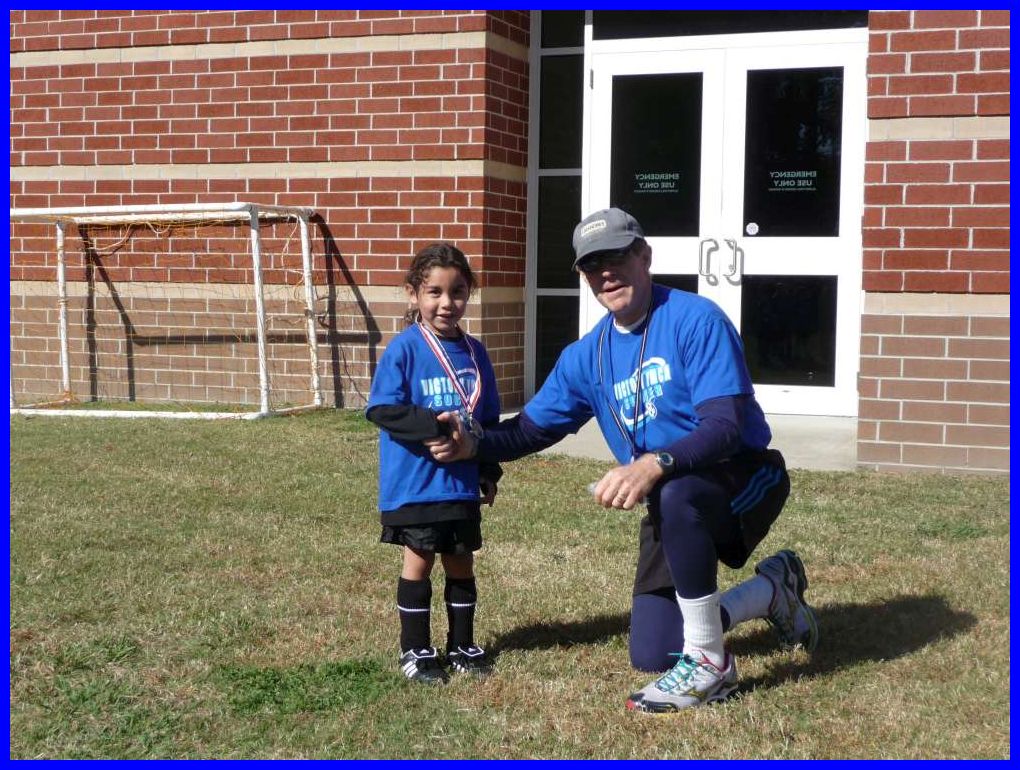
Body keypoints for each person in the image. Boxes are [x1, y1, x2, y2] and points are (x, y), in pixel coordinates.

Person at [427, 208, 819, 712]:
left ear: (644, 256)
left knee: (677, 493)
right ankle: (771, 591)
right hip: (671, 498)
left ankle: (710, 663)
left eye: (617, 257)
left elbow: (724, 426)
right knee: (653, 652)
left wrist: (653, 464)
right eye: (593, 266)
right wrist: (473, 442)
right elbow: (530, 429)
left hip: (742, 475)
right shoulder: (585, 356)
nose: (606, 273)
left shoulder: (696, 319)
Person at [366, 242, 502, 684]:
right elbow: (381, 409)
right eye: (434, 292)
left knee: (462, 562)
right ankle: (415, 649)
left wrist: (487, 468)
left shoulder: (477, 354)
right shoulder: (404, 350)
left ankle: (462, 644)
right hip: (417, 484)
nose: (447, 303)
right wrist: (435, 425)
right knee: (419, 561)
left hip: (460, 484)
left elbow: (488, 421)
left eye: (458, 292)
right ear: (413, 294)